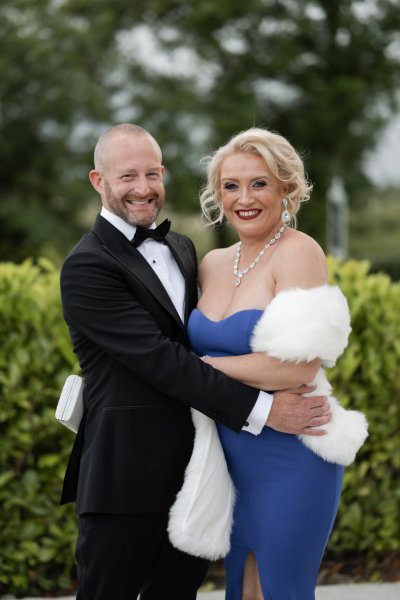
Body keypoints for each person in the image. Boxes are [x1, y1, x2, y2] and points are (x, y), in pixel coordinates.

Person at [59, 123, 331, 600]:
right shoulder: (88, 266)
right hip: (126, 476)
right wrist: (265, 409)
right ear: (99, 182)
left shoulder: (184, 250)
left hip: (201, 471)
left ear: (163, 174)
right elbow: (162, 361)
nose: (142, 188)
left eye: (151, 173)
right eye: (126, 176)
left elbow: (216, 350)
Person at [188, 127, 346, 599]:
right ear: (218, 194)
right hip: (226, 451)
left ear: (286, 188)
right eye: (231, 186)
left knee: (282, 588)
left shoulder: (300, 253)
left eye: (259, 183)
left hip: (290, 453)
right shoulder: (211, 263)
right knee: (243, 588)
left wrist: (200, 371)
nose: (244, 198)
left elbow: (298, 366)